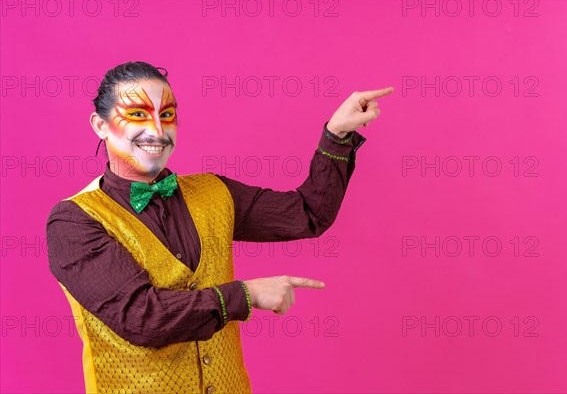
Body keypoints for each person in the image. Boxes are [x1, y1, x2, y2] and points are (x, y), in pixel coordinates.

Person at [46, 61, 393, 394]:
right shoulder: (74, 222)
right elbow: (141, 317)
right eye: (137, 114)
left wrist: (337, 134)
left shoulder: (214, 192)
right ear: (99, 125)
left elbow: (307, 213)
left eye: (167, 115)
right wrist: (245, 294)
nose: (156, 130)